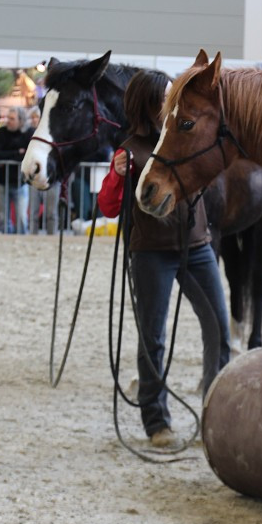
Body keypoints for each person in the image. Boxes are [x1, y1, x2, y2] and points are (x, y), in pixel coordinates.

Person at [96, 69, 230, 447]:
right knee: (152, 337)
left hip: (197, 247)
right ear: (149, 104)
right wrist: (118, 177)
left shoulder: (186, 138)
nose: (174, 102)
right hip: (151, 253)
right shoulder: (129, 150)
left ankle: (214, 413)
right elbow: (107, 207)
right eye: (166, 97)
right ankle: (156, 422)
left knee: (218, 328)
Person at [0, 106, 31, 233]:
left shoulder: (28, 133)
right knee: (3, 217)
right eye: (8, 118)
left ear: (20, 120)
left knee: (22, 217)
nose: (8, 121)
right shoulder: (1, 132)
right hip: (1, 181)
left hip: (20, 182)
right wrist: (17, 152)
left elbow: (28, 155)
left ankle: (23, 242)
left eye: (12, 119)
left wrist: (9, 154)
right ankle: (4, 243)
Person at [25, 104, 59, 234]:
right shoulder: (28, 134)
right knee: (33, 211)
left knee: (51, 212)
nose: (34, 120)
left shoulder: (53, 133)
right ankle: (33, 236)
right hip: (34, 178)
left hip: (51, 177)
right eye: (32, 117)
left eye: (37, 117)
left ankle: (52, 236)